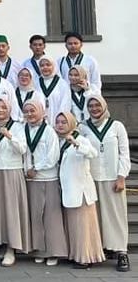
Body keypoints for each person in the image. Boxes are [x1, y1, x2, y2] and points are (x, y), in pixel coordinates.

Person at [80, 95, 131, 272]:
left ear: (104, 106)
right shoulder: (83, 127)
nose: (94, 109)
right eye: (91, 106)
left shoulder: (117, 126)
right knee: (94, 216)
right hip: (91, 178)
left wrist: (121, 176)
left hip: (112, 178)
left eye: (97, 105)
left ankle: (121, 252)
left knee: (116, 215)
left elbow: (124, 154)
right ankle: (96, 251)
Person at [55, 112, 104, 269]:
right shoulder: (58, 141)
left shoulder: (80, 139)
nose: (60, 125)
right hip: (68, 190)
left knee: (83, 226)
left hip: (81, 191)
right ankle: (75, 254)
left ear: (71, 123)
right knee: (73, 226)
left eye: (64, 122)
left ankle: (85, 257)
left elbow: (92, 153)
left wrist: (76, 144)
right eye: (58, 122)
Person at [22, 99, 67, 266]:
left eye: (33, 110)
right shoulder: (23, 129)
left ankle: (53, 251)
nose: (30, 114)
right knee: (35, 216)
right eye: (27, 111)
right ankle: (39, 250)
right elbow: (25, 153)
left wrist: (37, 167)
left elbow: (53, 156)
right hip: (31, 179)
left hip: (48, 177)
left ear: (41, 112)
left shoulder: (49, 132)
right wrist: (27, 169)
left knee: (51, 216)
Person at [0, 95, 30, 267]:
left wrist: (10, 136)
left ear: (10, 110)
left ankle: (12, 248)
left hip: (12, 171)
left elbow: (23, 149)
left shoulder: (18, 127)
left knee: (12, 211)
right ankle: (1, 243)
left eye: (4, 107)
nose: (0, 110)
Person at [34, 55, 70, 125]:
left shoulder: (62, 84)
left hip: (58, 123)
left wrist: (59, 122)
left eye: (48, 65)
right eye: (42, 65)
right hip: (40, 123)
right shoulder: (35, 83)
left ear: (54, 66)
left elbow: (65, 104)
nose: (45, 67)